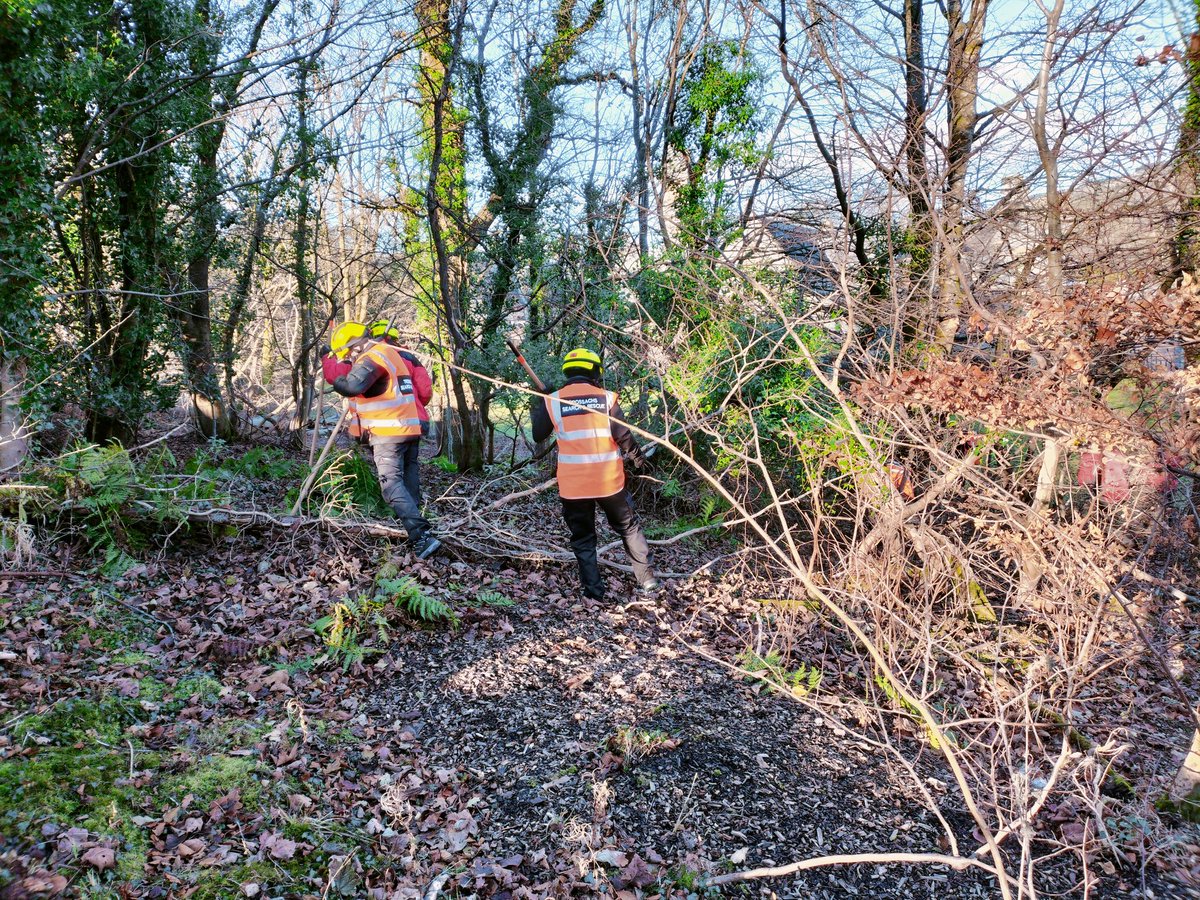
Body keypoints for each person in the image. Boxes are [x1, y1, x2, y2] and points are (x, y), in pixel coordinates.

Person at [530, 348, 658, 600]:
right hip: (608, 482)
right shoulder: (606, 398)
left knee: (584, 537)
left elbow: (538, 435)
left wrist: (541, 401)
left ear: (568, 371)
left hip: (574, 487)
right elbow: (622, 435)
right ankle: (648, 580)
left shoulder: (553, 401)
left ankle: (594, 592)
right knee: (629, 528)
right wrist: (639, 459)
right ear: (595, 371)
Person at [323, 321, 441, 560]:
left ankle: (421, 536)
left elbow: (352, 385)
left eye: (348, 352)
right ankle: (416, 527)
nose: (349, 358)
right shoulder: (390, 353)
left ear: (356, 344)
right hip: (408, 428)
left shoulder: (374, 356)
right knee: (408, 482)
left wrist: (334, 371)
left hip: (389, 433)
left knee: (390, 486)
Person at [367, 321, 433, 508]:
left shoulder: (373, 357)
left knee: (390, 470)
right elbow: (425, 390)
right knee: (410, 464)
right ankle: (414, 506)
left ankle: (398, 509)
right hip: (416, 420)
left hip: (388, 423)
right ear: (394, 338)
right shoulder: (410, 357)